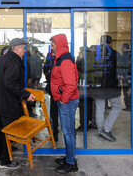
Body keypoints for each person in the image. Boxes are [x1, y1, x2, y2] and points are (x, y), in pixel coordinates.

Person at [0, 38, 35, 169]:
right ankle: (5, 161)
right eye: (23, 48)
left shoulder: (2, 59)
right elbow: (11, 84)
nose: (25, 51)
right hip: (6, 103)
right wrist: (26, 95)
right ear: (17, 48)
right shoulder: (14, 62)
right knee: (7, 132)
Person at [50, 34, 80, 174]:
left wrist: (63, 99)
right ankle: (69, 157)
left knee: (68, 132)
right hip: (64, 100)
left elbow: (71, 84)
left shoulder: (65, 60)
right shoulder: (59, 58)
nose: (51, 46)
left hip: (67, 101)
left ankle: (70, 163)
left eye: (53, 43)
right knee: (67, 131)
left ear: (60, 43)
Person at [93, 35, 121, 142]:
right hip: (111, 87)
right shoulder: (115, 54)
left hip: (98, 86)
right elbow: (121, 71)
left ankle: (101, 132)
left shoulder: (95, 53)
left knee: (100, 109)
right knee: (117, 106)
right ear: (111, 43)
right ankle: (106, 129)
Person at [43, 49, 59, 142]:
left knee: (55, 113)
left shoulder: (61, 60)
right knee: (54, 113)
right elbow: (45, 70)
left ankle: (55, 134)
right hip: (54, 90)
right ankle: (54, 134)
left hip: (57, 91)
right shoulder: (50, 59)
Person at [117, 43, 131, 111]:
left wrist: (121, 74)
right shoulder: (129, 54)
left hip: (126, 76)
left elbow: (123, 65)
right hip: (128, 75)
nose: (121, 49)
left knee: (126, 90)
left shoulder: (125, 55)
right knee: (129, 90)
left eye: (122, 47)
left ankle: (128, 106)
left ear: (124, 48)